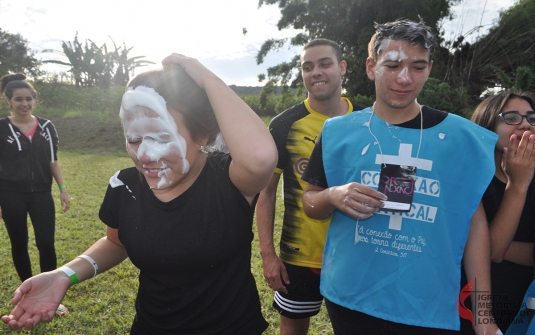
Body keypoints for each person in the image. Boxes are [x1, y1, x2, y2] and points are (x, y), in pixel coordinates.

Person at [1, 54, 277, 334]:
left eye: (160, 138)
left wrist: (203, 76)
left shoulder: (229, 179)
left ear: (203, 135)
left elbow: (262, 158)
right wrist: (64, 274)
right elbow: (116, 242)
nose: (143, 155)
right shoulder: (125, 184)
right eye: (133, 139)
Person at [301, 20, 501, 334]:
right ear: (371, 67)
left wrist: (485, 316)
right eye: (392, 65)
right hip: (353, 297)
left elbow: (474, 224)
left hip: (427, 301)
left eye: (417, 67)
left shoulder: (461, 138)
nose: (404, 78)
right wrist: (332, 196)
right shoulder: (338, 132)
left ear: (430, 68)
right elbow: (310, 202)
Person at [256, 38, 361, 334]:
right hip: (299, 255)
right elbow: (265, 192)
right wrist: (267, 254)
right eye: (307, 66)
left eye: (324, 63)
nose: (316, 72)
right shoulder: (284, 124)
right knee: (292, 328)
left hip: (358, 252)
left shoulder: (369, 119)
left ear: (342, 68)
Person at [460, 90, 535, 334]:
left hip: (523, 305)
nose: (525, 124)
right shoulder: (468, 179)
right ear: (487, 126)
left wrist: (488, 244)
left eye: (531, 118)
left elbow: (493, 249)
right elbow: (492, 253)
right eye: (512, 117)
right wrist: (518, 185)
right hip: (467, 305)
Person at [0, 73, 70, 282]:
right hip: (10, 194)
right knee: (19, 244)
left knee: (46, 243)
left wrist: (62, 189)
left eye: (28, 99)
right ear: (9, 100)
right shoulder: (2, 127)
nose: (24, 104)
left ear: (34, 99)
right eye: (19, 99)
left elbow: (52, 160)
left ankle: (47, 289)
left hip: (41, 193)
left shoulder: (46, 127)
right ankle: (27, 290)